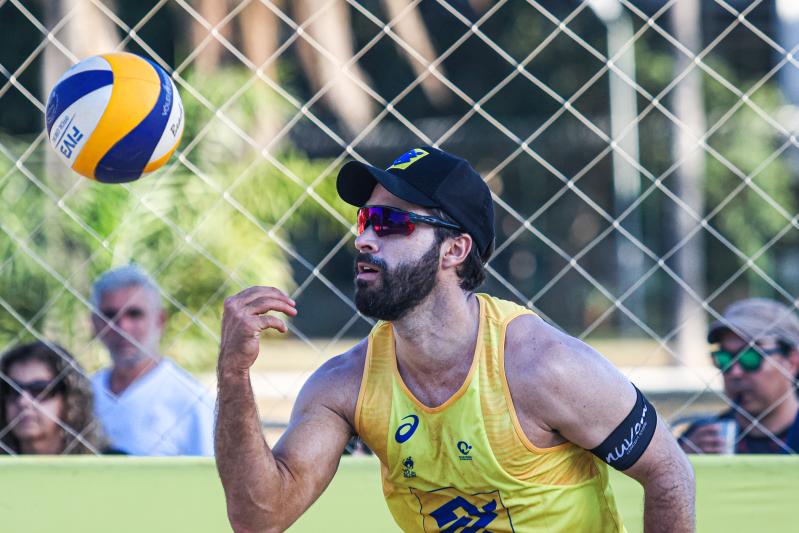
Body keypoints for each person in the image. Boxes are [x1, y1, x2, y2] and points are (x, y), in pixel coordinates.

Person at [215, 147, 695, 532]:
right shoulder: (345, 385)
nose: (364, 240)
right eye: (365, 222)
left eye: (391, 223)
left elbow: (669, 474)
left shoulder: (543, 366)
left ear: (454, 249)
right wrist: (234, 373)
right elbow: (260, 518)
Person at [90, 265, 215, 456]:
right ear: (95, 323)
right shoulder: (84, 395)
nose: (122, 326)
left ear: (160, 320)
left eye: (135, 314)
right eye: (110, 315)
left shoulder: (192, 402)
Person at [679, 298, 799, 454]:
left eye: (750, 358)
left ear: (792, 361)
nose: (735, 372)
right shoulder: (701, 440)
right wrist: (681, 461)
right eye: (725, 359)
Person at [0, 341, 107, 454]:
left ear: (69, 398)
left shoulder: (111, 462)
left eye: (39, 390)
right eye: (12, 390)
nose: (23, 401)